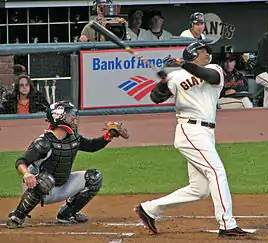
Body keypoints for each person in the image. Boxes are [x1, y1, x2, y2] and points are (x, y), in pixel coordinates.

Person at [134, 41, 250, 239]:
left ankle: (149, 209)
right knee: (216, 171)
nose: (208, 54)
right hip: (190, 130)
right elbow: (156, 98)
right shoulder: (175, 76)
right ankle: (227, 224)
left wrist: (183, 65)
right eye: (204, 51)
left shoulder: (213, 70)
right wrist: (163, 82)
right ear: (193, 53)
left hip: (206, 132)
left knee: (199, 189)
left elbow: (208, 76)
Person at [6, 100, 129, 228]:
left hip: (62, 184)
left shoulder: (73, 138)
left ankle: (67, 214)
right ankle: (18, 216)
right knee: (45, 180)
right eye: (70, 116)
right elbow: (21, 161)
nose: (74, 119)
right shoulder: (43, 142)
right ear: (59, 118)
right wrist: (26, 174)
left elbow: (92, 146)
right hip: (38, 187)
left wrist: (108, 136)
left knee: (94, 177)